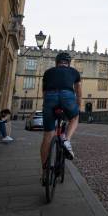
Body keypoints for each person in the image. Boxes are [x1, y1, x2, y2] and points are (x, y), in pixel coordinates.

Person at [40, 52, 81, 180]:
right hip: (67, 97)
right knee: (74, 118)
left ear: (56, 62)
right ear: (68, 63)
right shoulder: (74, 72)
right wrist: (78, 104)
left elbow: (44, 92)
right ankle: (66, 140)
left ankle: (45, 172)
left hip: (50, 97)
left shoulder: (48, 72)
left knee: (48, 135)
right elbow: (78, 90)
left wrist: (47, 103)